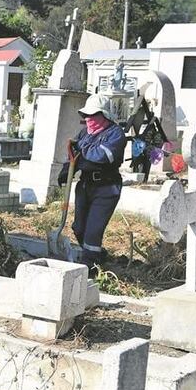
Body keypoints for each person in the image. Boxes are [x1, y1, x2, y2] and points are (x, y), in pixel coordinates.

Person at [58, 93, 127, 268]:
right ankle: (98, 255)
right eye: (86, 115)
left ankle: (90, 266)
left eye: (93, 115)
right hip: (85, 186)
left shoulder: (116, 134)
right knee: (79, 228)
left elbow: (101, 156)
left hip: (106, 188)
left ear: (104, 115)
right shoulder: (85, 133)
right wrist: (66, 172)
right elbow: (75, 157)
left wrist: (82, 148)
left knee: (93, 231)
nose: (88, 119)